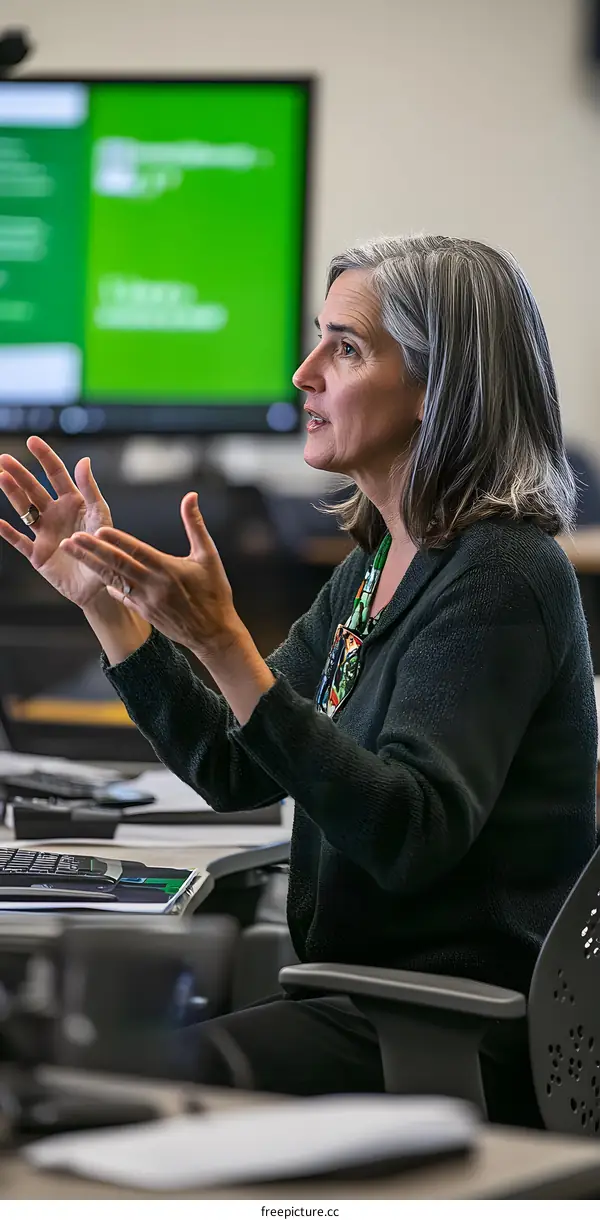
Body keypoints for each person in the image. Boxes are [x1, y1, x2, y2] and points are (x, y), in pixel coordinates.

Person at [0, 235, 597, 1121]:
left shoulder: (503, 575)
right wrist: (108, 606)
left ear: (442, 389)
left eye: (346, 349)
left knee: (100, 1084)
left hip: (450, 1034)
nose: (302, 373)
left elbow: (407, 831)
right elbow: (235, 766)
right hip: (361, 1004)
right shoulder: (378, 567)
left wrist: (226, 645)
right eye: (319, 340)